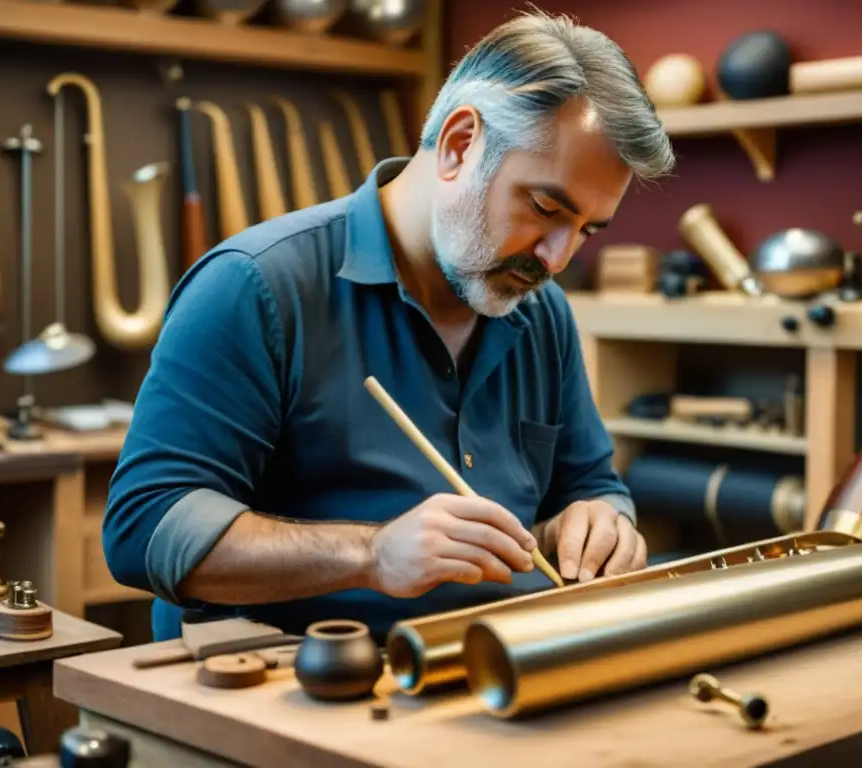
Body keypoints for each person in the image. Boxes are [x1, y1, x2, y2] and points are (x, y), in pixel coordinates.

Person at [102, 9, 676, 643]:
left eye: (588, 230)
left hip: (490, 675)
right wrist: (372, 555)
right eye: (545, 207)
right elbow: (144, 528)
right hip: (286, 689)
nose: (558, 258)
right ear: (460, 144)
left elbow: (589, 485)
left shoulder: (542, 314)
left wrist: (597, 523)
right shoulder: (255, 286)